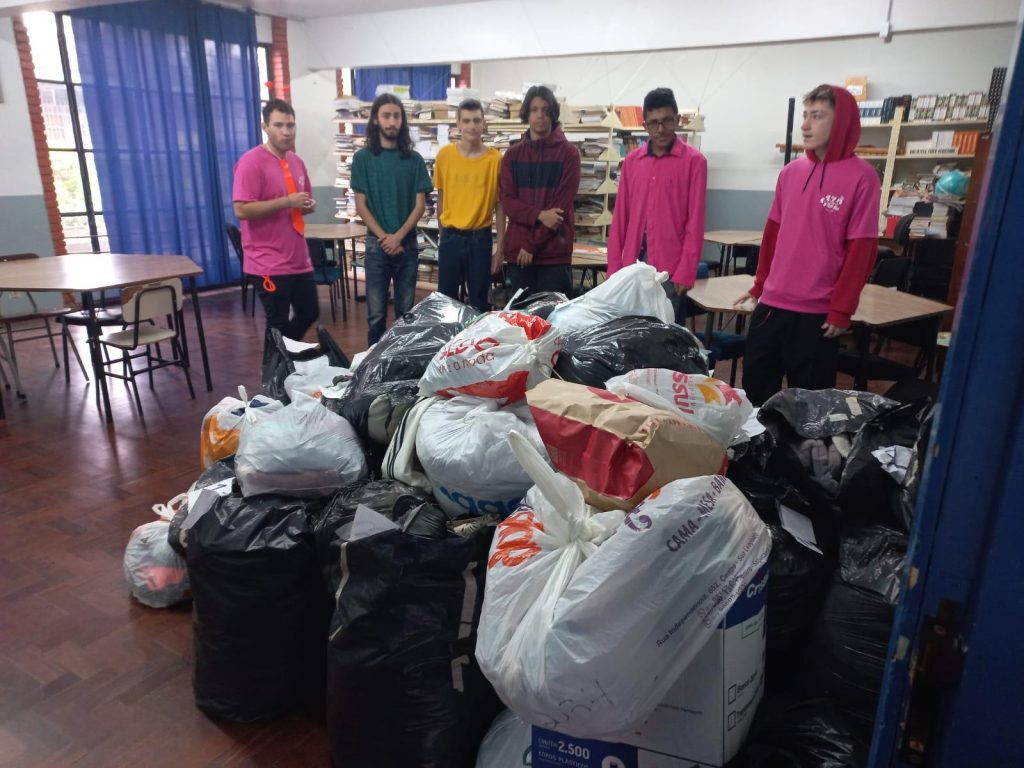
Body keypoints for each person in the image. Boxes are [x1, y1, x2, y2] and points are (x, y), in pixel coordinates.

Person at [735, 84, 881, 406]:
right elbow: (773, 233)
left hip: (816, 314)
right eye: (805, 115)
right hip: (771, 307)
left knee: (810, 404)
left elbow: (862, 249)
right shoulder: (791, 173)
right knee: (756, 393)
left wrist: (842, 308)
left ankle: (801, 457)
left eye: (817, 116)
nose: (805, 125)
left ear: (840, 122)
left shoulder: (863, 177)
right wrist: (760, 285)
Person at [607, 87, 707, 319]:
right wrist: (614, 268)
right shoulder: (632, 162)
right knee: (631, 338)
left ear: (677, 120)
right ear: (645, 126)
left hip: (669, 272)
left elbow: (696, 221)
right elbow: (620, 217)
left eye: (666, 121)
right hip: (632, 270)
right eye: (654, 123)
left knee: (667, 343)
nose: (660, 129)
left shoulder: (695, 162)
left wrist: (686, 271)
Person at [232, 98, 318, 342]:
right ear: (265, 127)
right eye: (279, 125)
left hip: (298, 258)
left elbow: (300, 203)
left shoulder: (296, 161)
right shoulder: (251, 162)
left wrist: (305, 206)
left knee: (310, 311)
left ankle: (283, 357)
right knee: (277, 322)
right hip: (267, 260)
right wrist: (286, 202)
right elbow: (242, 210)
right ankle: (275, 374)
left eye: (290, 125)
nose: (286, 131)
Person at [351, 93, 433, 345]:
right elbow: (361, 205)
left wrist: (397, 237)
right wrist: (384, 236)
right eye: (386, 115)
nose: (392, 121)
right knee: (376, 316)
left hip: (406, 245)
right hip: (377, 247)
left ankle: (401, 368)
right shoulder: (363, 159)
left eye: (396, 116)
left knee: (406, 316)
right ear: (375, 120)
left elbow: (420, 205)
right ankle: (373, 370)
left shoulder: (414, 160)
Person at [498, 85, 581, 298]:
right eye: (534, 109)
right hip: (518, 256)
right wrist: (539, 215)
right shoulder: (512, 155)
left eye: (545, 109)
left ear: (553, 113)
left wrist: (531, 246)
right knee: (518, 325)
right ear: (527, 113)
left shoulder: (569, 154)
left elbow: (559, 211)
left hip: (554, 256)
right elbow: (508, 203)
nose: (540, 115)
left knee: (554, 324)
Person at [434, 98, 505, 312]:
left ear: (484, 123)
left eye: (476, 120)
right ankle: (448, 346)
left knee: (479, 304)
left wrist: (499, 249)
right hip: (450, 237)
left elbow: (500, 207)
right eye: (466, 121)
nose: (472, 126)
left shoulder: (495, 160)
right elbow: (441, 197)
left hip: (479, 240)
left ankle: (475, 346)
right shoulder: (445, 155)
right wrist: (442, 234)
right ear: (458, 124)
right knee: (445, 304)